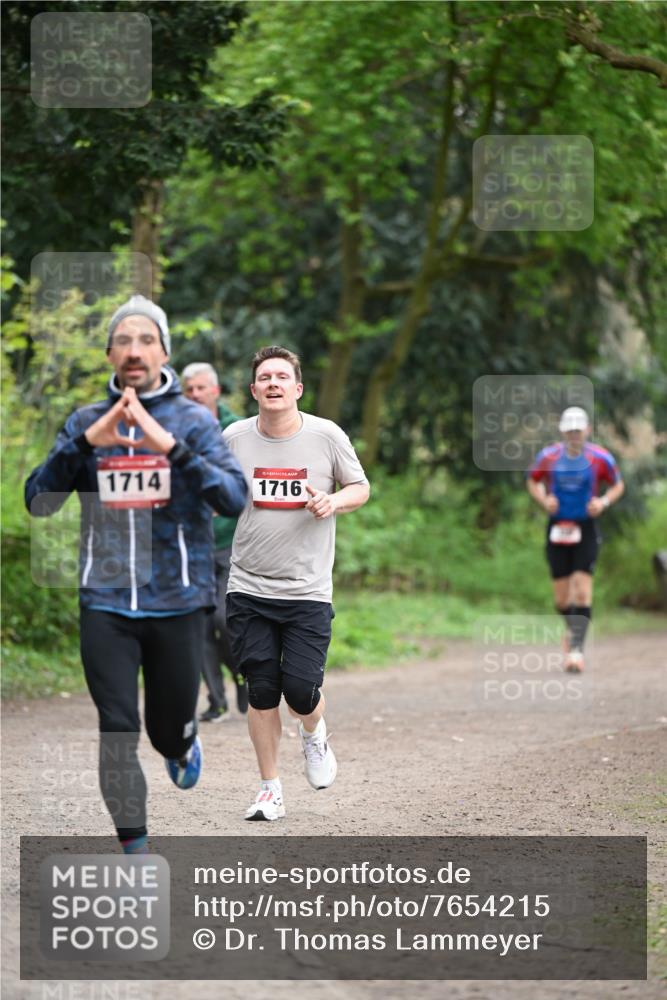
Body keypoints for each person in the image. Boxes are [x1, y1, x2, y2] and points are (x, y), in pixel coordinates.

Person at [25, 296, 247, 853]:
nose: (134, 350)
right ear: (109, 353)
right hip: (104, 601)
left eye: (146, 340)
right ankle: (136, 851)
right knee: (117, 730)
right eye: (123, 340)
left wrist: (168, 448)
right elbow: (38, 501)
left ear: (164, 351)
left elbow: (234, 498)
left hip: (176, 601)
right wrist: (85, 444)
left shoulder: (193, 421)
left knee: (164, 729)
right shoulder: (84, 421)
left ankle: (181, 743)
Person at [223, 345, 370, 821]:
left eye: (282, 377)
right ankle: (270, 789)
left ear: (297, 388)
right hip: (248, 585)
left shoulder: (326, 435)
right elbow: (214, 489)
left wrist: (333, 502)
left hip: (306, 589)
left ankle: (314, 733)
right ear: (253, 390)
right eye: (264, 377)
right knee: (261, 689)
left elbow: (361, 487)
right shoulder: (234, 438)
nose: (273, 384)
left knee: (301, 690)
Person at [527, 406, 624, 672]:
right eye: (569, 431)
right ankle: (572, 631)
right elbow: (533, 481)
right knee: (561, 600)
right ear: (562, 431)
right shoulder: (548, 457)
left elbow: (618, 484)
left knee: (582, 590)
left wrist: (602, 502)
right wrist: (544, 499)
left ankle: (577, 651)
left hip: (586, 529)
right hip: (557, 528)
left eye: (578, 431)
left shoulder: (601, 458)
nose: (574, 436)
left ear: (587, 431)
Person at [181, 362, 249, 721]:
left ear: (215, 391)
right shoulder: (174, 429)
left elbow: (244, 483)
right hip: (190, 543)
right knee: (200, 622)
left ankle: (242, 676)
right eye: (188, 389)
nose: (194, 395)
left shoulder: (238, 429)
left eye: (200, 388)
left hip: (230, 542)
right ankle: (216, 699)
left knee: (224, 619)